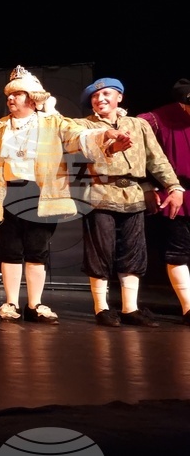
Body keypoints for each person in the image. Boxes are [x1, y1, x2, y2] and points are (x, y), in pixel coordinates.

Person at [0, 65, 131, 325]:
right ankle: (10, 302)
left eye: (17, 94)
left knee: (37, 250)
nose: (11, 98)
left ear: (32, 98)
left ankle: (35, 304)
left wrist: (105, 133)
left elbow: (80, 136)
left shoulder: (53, 123)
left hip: (40, 192)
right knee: (10, 250)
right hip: (7, 192)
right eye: (9, 95)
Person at [71, 77, 184, 327]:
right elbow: (79, 144)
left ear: (119, 97)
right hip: (99, 192)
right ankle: (101, 308)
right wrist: (106, 137)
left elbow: (156, 159)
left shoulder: (138, 125)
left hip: (133, 193)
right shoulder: (83, 125)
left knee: (133, 250)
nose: (100, 99)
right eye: (95, 96)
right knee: (100, 250)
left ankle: (130, 308)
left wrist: (173, 186)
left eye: (106, 94)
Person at [139, 78, 190, 325]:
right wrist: (147, 186)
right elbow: (136, 147)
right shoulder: (157, 119)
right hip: (177, 194)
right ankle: (188, 307)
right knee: (178, 252)